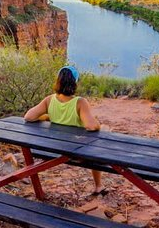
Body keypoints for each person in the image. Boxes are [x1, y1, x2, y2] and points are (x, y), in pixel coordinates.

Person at [24, 66, 106, 195]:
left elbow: (28, 117)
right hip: (76, 152)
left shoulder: (49, 100)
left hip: (52, 149)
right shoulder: (80, 102)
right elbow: (91, 126)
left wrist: (46, 116)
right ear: (75, 83)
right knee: (95, 149)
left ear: (58, 81)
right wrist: (99, 124)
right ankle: (98, 186)